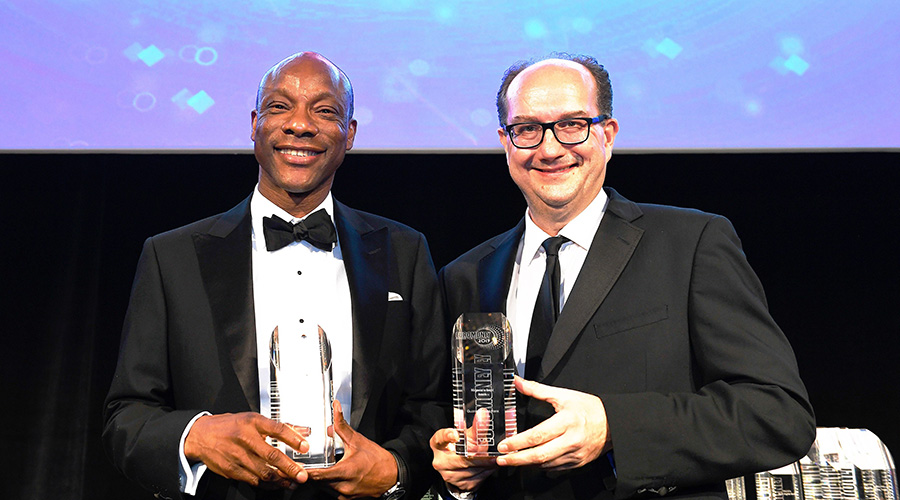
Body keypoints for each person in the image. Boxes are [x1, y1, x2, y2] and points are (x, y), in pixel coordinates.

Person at [430, 54, 815, 500]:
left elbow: (778, 414)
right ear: (505, 141)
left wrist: (613, 426)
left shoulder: (691, 243)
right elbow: (444, 423)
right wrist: (453, 467)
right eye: (528, 129)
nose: (550, 149)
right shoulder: (465, 275)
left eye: (572, 124)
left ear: (608, 134)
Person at [103, 52, 447, 500]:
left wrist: (396, 468)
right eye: (280, 107)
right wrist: (196, 436)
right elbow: (127, 417)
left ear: (350, 134)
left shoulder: (404, 251)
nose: (300, 125)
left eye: (325, 111)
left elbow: (433, 404)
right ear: (254, 124)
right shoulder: (172, 257)